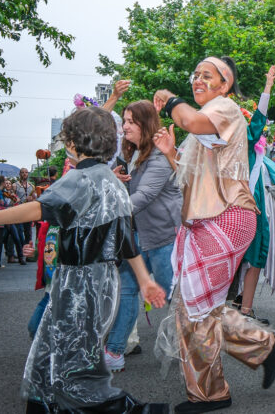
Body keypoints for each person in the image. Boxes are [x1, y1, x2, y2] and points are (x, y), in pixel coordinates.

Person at [0, 107, 167, 413]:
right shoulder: (113, 182)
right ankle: (43, 405)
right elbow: (127, 240)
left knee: (71, 366)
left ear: (74, 143)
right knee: (52, 354)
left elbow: (38, 209)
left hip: (79, 283)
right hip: (102, 284)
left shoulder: (79, 178)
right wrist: (144, 280)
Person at [151, 56, 275, 414]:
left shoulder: (223, 108)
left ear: (224, 85)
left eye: (206, 76)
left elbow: (190, 120)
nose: (197, 80)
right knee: (193, 309)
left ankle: (213, 393)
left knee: (196, 310)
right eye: (194, 74)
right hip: (206, 219)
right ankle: (260, 346)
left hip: (224, 218)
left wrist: (170, 98)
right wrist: (168, 154)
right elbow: (192, 179)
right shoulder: (208, 125)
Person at [104, 100, 182, 372]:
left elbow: (144, 196)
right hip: (137, 240)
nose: (124, 127)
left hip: (163, 240)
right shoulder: (132, 156)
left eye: (130, 122)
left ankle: (202, 346)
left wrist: (107, 210)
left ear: (145, 125)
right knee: (126, 292)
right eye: (124, 121)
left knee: (177, 299)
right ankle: (113, 352)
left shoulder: (159, 158)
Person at [232, 66, 275, 324]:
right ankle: (222, 307)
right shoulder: (239, 143)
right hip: (236, 208)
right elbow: (258, 119)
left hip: (256, 207)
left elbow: (258, 119)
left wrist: (268, 87)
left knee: (257, 255)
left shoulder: (253, 145)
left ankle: (245, 310)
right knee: (232, 258)